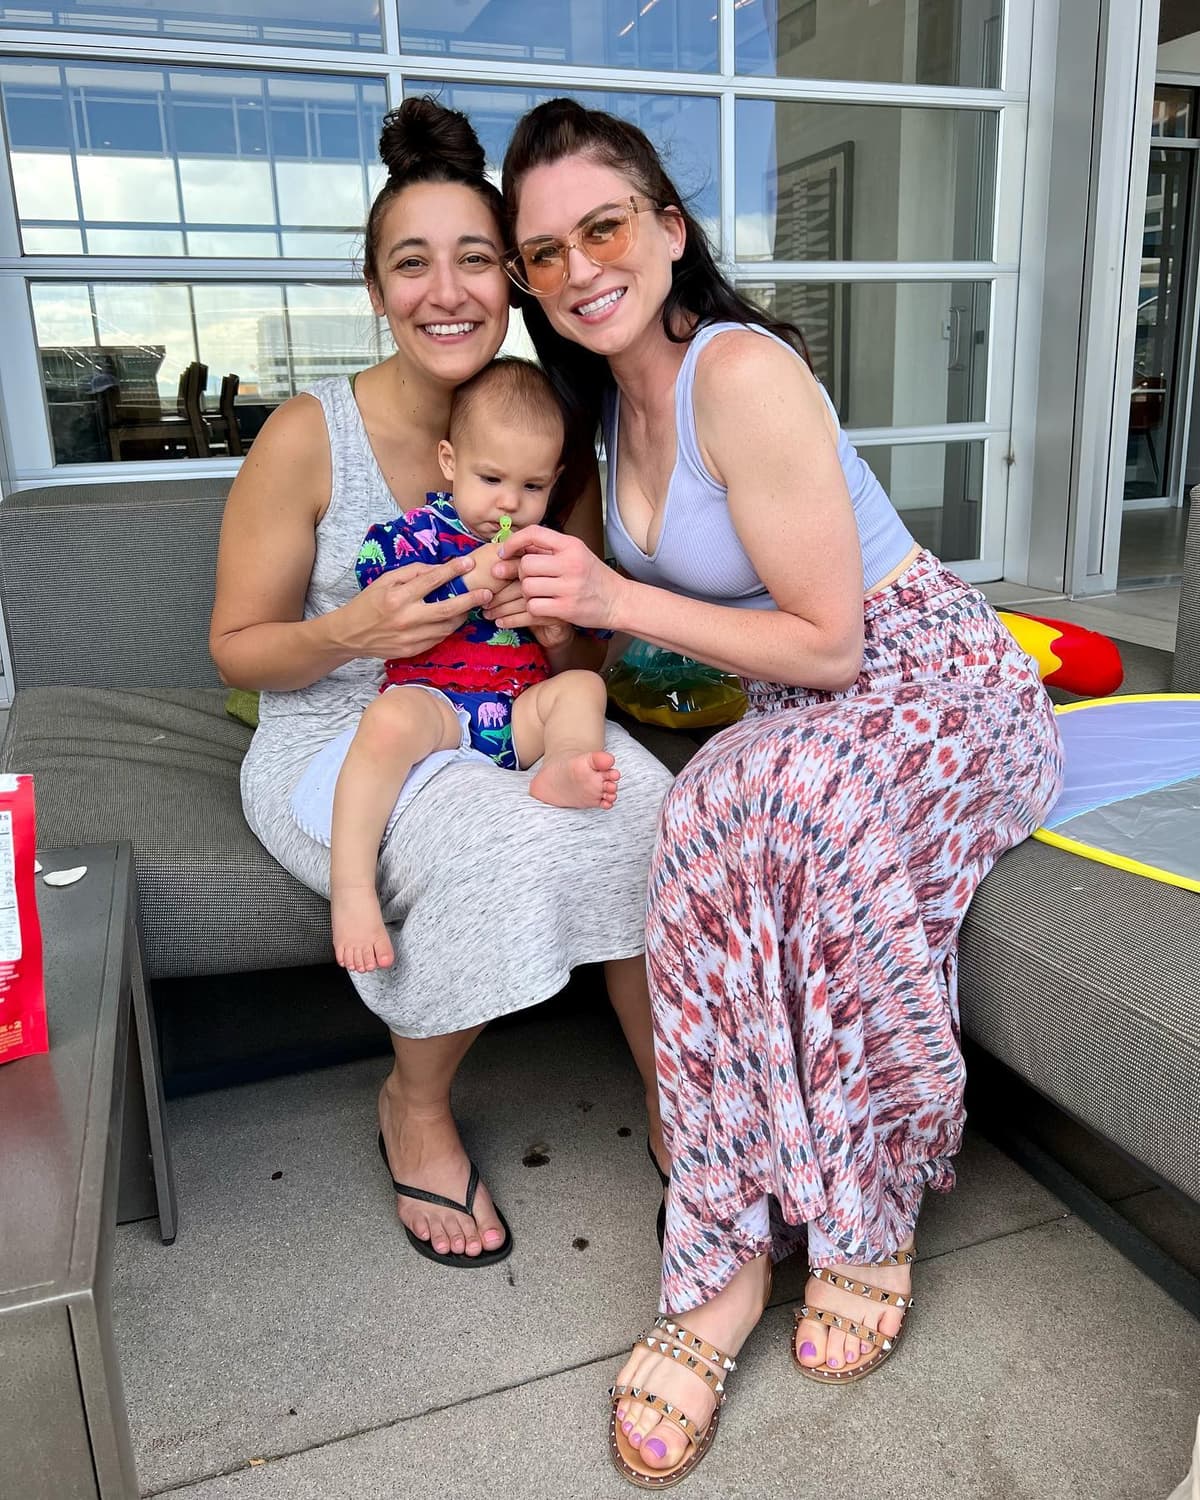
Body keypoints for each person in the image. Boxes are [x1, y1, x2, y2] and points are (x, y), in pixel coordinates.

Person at [497, 97, 1065, 1484]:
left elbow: (834, 639)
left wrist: (617, 593)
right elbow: (604, 615)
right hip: (806, 713)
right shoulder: (597, 415)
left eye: (605, 227)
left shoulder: (734, 372)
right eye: (544, 252)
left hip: (938, 685)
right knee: (700, 820)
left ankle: (864, 1214)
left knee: (800, 815)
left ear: (671, 229)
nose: (578, 268)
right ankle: (723, 1258)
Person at [209, 96, 674, 1272]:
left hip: (502, 710)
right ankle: (411, 1103)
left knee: (654, 805)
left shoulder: (542, 428)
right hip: (341, 736)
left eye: (477, 258)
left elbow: (583, 656)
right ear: (377, 289)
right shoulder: (311, 437)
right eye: (413, 264)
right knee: (498, 835)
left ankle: (686, 1106)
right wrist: (350, 630)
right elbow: (238, 646)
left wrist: (563, 629)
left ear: (514, 282)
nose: (448, 290)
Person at [326, 356, 620, 974]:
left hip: (516, 715)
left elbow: (586, 642)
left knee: (583, 686)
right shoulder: (416, 535)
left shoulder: (551, 549)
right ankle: (352, 892)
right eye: (490, 479)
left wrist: (555, 626)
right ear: (449, 462)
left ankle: (564, 764)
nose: (509, 502)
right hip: (437, 707)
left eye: (532, 487)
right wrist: (464, 579)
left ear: (554, 480)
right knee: (385, 722)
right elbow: (379, 593)